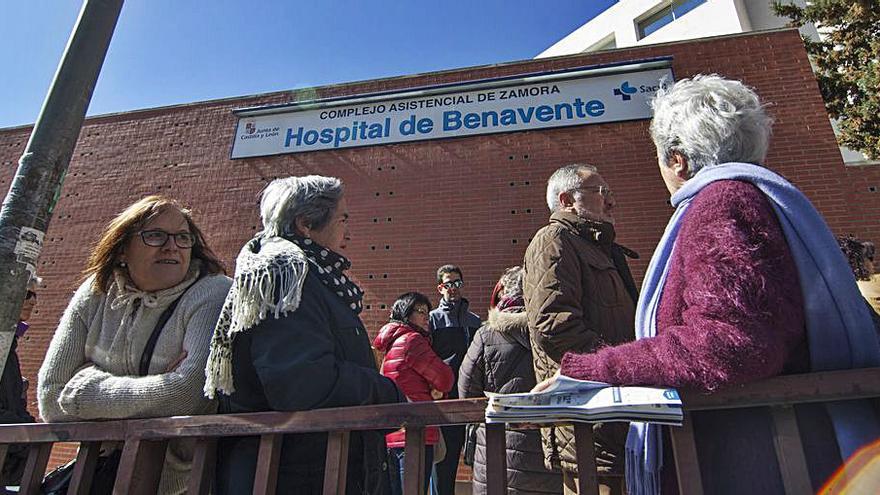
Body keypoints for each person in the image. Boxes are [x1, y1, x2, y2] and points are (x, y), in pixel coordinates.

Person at [537, 75, 880, 494]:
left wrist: (596, 369)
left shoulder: (720, 204)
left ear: (677, 159)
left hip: (755, 458)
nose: (613, 199)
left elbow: (728, 340)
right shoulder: (755, 199)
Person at [207, 175, 404, 494]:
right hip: (294, 474)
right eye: (342, 219)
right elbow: (304, 382)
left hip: (312, 468)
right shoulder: (285, 274)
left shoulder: (306, 276)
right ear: (305, 224)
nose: (348, 232)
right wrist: (388, 394)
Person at [37, 196, 231, 494]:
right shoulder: (96, 293)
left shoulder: (213, 292)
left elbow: (188, 394)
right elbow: (51, 399)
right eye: (155, 235)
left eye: (182, 237)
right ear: (123, 248)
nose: (172, 246)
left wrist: (84, 387)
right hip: (102, 473)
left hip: (180, 481)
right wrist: (159, 387)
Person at [522, 164, 638, 494]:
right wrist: (620, 365)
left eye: (610, 193)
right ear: (566, 200)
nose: (610, 202)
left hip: (616, 410)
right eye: (601, 193)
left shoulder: (599, 246)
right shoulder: (554, 241)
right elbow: (554, 324)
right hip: (589, 423)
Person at [459, 266, 562, 495]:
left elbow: (466, 392)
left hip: (497, 452)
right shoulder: (554, 331)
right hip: (549, 447)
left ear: (502, 293)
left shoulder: (486, 335)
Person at [373, 292, 454, 495]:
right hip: (415, 435)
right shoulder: (412, 341)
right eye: (421, 312)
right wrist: (437, 390)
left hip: (392, 434)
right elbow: (445, 379)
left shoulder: (392, 344)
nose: (427, 316)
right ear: (406, 314)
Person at [428, 264, 482, 495]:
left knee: (475, 456)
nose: (453, 288)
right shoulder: (432, 320)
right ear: (440, 288)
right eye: (448, 284)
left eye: (457, 283)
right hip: (445, 399)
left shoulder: (474, 320)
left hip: (471, 397)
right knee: (445, 462)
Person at [1, 276, 39, 488]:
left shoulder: (9, 348)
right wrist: (26, 435)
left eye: (35, 295)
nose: (34, 301)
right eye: (27, 294)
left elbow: (15, 404)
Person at [837, 234, 880, 315]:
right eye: (869, 258)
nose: (873, 263)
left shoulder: (843, 288)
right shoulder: (867, 286)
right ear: (860, 263)